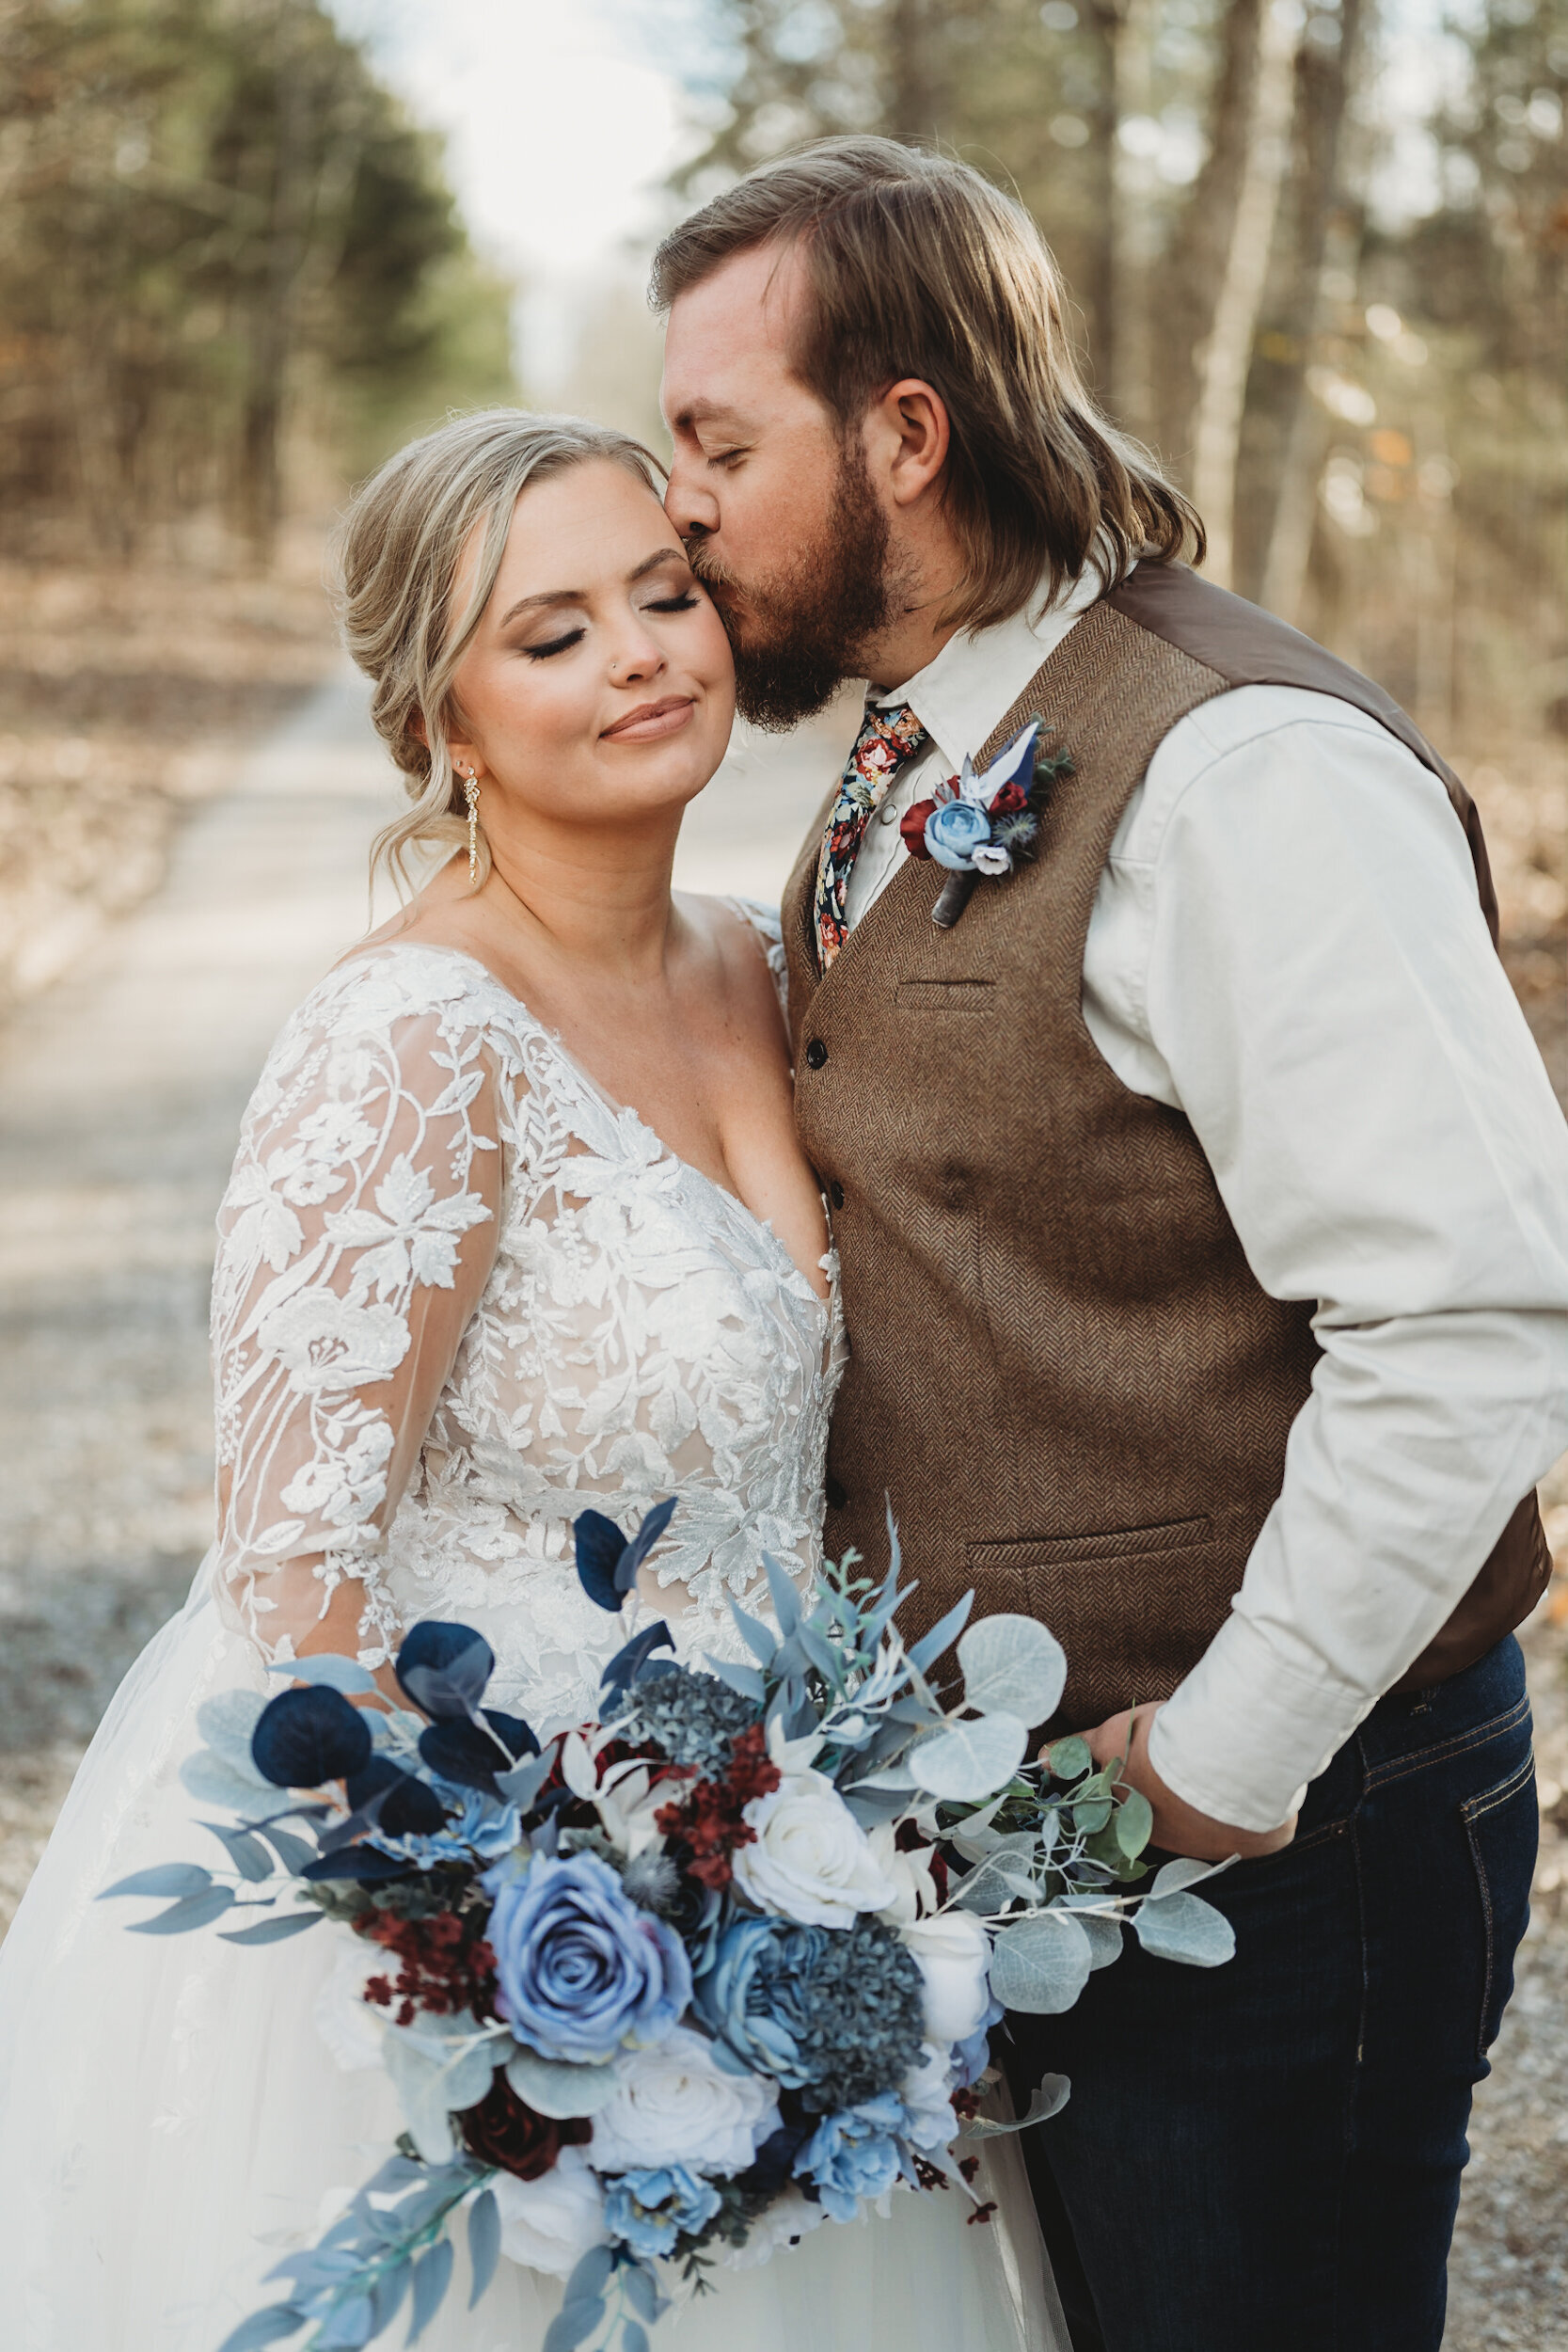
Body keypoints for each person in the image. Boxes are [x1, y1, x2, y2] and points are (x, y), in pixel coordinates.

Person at [0, 412, 1063, 2349]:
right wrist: (520, 1964)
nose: (646, 652)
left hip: (786, 1862)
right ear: (445, 725)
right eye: (552, 631)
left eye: (664, 593)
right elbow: (290, 1599)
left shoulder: (765, 962)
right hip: (485, 1914)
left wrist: (779, 1886)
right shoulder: (408, 1041)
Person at [653, 135, 1568, 2352]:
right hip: (1018, 1844)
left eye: (716, 442)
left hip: (1284, 1843)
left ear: (903, 432)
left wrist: (1213, 1767)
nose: (674, 502)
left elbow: (1468, 1307)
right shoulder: (916, 734)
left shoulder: (1243, 773)